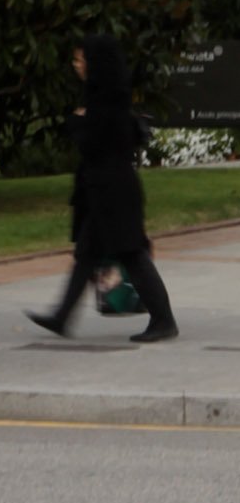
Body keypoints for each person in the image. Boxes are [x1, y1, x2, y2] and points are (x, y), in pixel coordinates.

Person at [25, 36, 178, 344]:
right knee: (87, 254)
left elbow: (92, 144)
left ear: (96, 64)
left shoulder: (107, 104)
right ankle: (61, 317)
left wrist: (76, 121)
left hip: (114, 192)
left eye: (81, 60)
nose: (76, 65)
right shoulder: (106, 98)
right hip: (103, 191)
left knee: (131, 253)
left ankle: (164, 320)